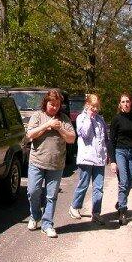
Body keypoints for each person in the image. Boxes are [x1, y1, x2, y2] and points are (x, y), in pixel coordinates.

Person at [26, 89, 76, 238]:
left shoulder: (64, 119)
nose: (54, 107)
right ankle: (35, 216)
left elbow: (72, 139)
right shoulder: (37, 116)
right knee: (33, 191)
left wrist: (59, 127)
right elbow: (29, 135)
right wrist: (47, 125)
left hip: (56, 163)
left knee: (51, 196)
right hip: (37, 161)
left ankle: (47, 224)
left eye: (57, 104)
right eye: (51, 104)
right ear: (46, 103)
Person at [68, 94, 108, 225]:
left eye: (97, 107)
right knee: (83, 184)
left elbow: (104, 139)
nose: (95, 109)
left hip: (99, 158)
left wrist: (107, 154)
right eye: (92, 106)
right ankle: (74, 207)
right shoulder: (81, 118)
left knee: (99, 187)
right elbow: (84, 134)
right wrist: (89, 118)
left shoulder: (100, 119)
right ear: (87, 105)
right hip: (86, 158)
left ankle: (96, 213)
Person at [108, 92, 132, 226]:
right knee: (123, 181)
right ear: (120, 104)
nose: (125, 104)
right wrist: (112, 160)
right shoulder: (116, 119)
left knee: (131, 180)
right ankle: (123, 210)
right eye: (123, 102)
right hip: (120, 152)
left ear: (131, 103)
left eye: (127, 101)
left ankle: (120, 201)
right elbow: (111, 141)